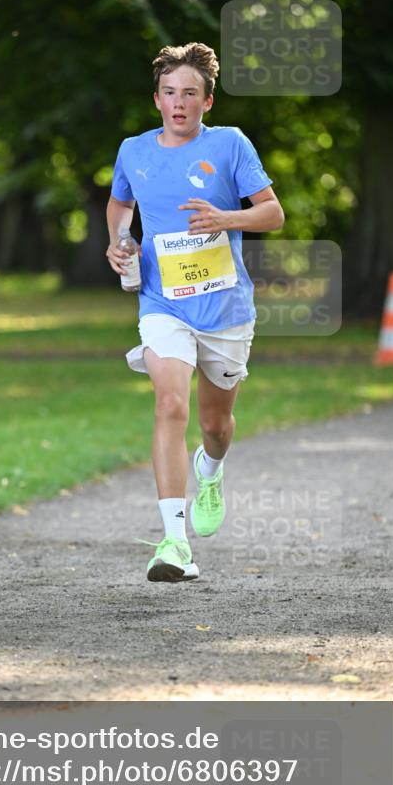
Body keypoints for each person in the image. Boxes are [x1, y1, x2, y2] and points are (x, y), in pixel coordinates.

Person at [106, 42, 285, 583]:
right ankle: (174, 542)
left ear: (208, 101)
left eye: (189, 93)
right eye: (169, 93)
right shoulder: (133, 150)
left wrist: (225, 219)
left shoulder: (230, 145)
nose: (178, 103)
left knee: (216, 424)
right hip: (163, 303)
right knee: (169, 403)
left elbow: (272, 214)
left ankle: (212, 469)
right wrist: (118, 242)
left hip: (226, 307)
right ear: (156, 99)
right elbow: (121, 204)